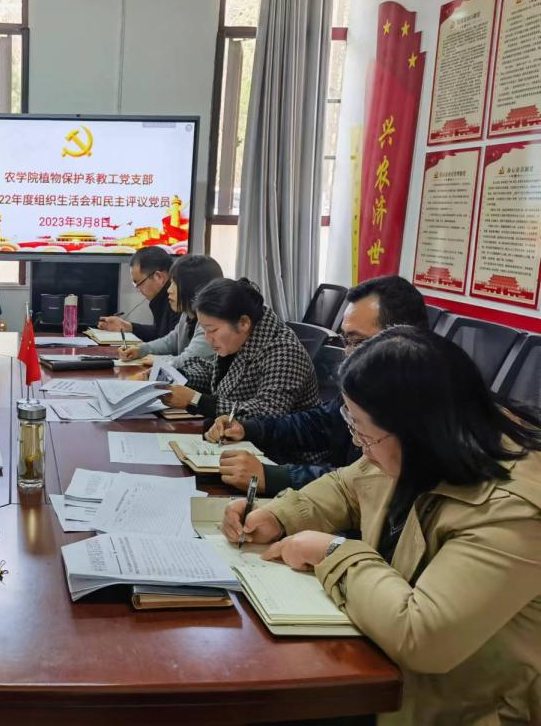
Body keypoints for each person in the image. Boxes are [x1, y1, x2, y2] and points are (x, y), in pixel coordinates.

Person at [221, 326, 541, 725]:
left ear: (417, 430)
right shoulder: (422, 447)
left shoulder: (515, 511)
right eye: (352, 425)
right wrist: (279, 515)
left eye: (363, 431)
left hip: (459, 708)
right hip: (385, 671)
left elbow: (423, 636)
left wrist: (333, 552)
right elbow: (348, 485)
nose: (360, 445)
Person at [204, 275, 430, 494]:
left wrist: (273, 477)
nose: (348, 353)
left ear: (402, 340)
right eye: (346, 341)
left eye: (357, 341)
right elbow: (319, 424)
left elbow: (362, 483)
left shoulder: (420, 406)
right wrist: (249, 428)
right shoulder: (368, 383)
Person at [165, 277, 319, 420]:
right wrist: (179, 377)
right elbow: (217, 375)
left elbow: (267, 413)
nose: (207, 337)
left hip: (281, 441)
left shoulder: (285, 353)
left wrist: (196, 400)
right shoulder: (240, 336)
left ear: (244, 323)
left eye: (212, 330)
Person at [118, 255, 222, 369]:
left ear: (193, 288)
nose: (169, 290)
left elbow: (189, 361)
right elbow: (170, 341)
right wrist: (141, 350)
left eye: (175, 283)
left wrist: (158, 360)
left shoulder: (210, 323)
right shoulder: (187, 314)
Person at [98, 246, 180, 341]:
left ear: (159, 277)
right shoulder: (161, 298)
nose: (138, 289)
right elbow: (160, 333)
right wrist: (128, 327)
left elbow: (171, 344)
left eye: (138, 283)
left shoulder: (178, 300)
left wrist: (142, 349)